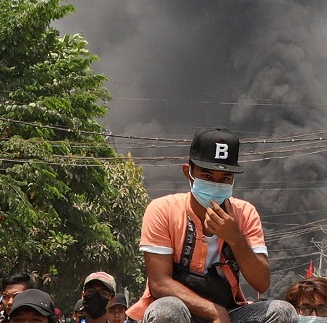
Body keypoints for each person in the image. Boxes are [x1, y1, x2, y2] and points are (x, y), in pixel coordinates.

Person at [126, 128, 297, 323]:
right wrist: (214, 311)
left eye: (225, 178)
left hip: (230, 312)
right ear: (188, 173)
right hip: (181, 312)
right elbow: (159, 283)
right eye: (207, 176)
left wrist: (234, 237)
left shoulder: (245, 213)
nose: (216, 185)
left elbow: (261, 283)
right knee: (167, 310)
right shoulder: (162, 210)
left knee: (283, 312)